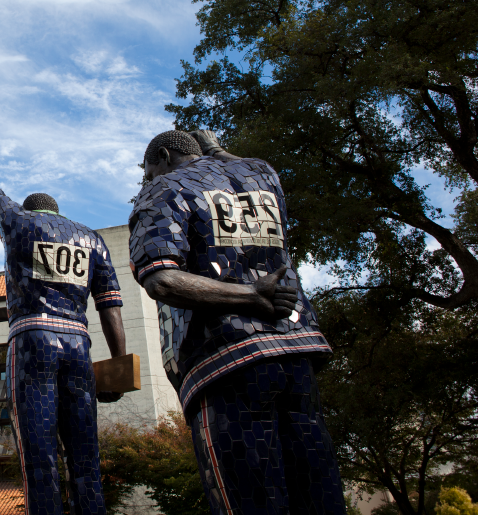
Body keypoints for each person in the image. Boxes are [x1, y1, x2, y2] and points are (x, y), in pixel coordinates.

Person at [128, 130, 346, 515]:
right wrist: (213, 147)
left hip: (227, 357)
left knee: (248, 495)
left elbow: (161, 278)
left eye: (148, 169)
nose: (147, 178)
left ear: (161, 156)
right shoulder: (261, 174)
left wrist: (250, 297)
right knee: (317, 486)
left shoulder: (164, 188)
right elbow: (237, 162)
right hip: (297, 350)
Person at [0, 136, 127, 515]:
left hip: (33, 339)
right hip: (79, 346)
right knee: (86, 458)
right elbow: (111, 305)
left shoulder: (17, 221)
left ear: (32, 210)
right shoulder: (92, 239)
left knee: (40, 457)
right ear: (59, 214)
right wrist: (119, 367)